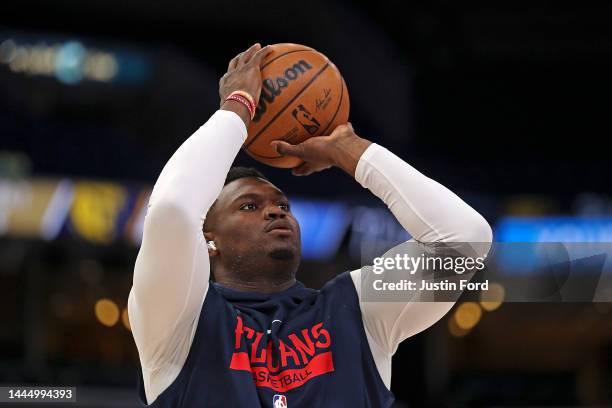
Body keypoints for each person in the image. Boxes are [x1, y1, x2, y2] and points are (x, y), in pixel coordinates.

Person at [128, 43, 492, 407]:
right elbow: (173, 209)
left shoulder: (356, 309)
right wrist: (237, 107)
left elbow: (465, 240)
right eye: (250, 205)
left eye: (282, 204)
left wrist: (350, 151)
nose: (276, 212)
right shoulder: (179, 318)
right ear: (209, 239)